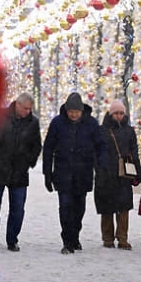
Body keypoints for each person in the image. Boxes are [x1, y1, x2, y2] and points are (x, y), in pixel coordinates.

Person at [42, 92, 107, 254]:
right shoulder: (57, 123)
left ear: (81, 111)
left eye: (76, 112)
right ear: (66, 110)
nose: (73, 114)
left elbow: (100, 146)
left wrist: (102, 166)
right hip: (62, 173)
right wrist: (47, 173)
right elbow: (48, 148)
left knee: (79, 208)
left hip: (83, 173)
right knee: (64, 207)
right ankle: (67, 241)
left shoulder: (91, 124)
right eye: (71, 111)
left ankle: (75, 235)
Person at [0, 92, 42, 252]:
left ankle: (12, 239)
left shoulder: (33, 123)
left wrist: (28, 161)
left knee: (18, 208)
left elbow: (36, 146)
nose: (28, 111)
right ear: (17, 104)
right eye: (26, 108)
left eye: (30, 109)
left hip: (19, 172)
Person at [94, 99, 141, 250]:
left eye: (121, 113)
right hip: (106, 174)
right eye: (116, 113)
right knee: (107, 207)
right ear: (111, 113)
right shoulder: (101, 130)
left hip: (123, 174)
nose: (119, 116)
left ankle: (122, 238)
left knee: (123, 208)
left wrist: (136, 172)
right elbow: (96, 151)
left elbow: (134, 151)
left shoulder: (129, 131)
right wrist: (99, 168)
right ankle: (107, 238)